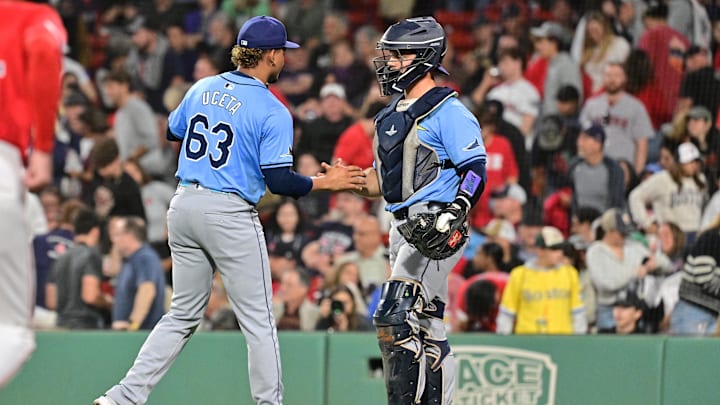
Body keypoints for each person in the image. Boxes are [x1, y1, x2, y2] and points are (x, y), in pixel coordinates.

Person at [93, 16, 365, 405]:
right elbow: (280, 181)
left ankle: (122, 397)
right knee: (258, 322)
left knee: (182, 315)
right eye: (281, 53)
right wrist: (326, 182)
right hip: (228, 211)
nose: (284, 60)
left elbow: (173, 130)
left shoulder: (203, 86)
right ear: (270, 55)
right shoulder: (274, 110)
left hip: (184, 204)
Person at [356, 17, 487, 404]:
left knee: (395, 315)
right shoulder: (390, 115)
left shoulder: (448, 109)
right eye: (390, 54)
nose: (391, 62)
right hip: (399, 226)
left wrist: (457, 208)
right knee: (429, 325)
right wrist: (343, 180)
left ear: (424, 56)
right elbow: (384, 183)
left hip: (434, 223)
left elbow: (475, 168)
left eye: (399, 54)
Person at [0, 0, 66, 389]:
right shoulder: (32, 15)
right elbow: (43, 51)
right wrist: (43, 146)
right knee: (13, 332)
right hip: (3, 159)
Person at [496, 226, 587, 335]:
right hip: (527, 340)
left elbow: (578, 312)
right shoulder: (519, 275)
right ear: (540, 250)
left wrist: (579, 340)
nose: (560, 253)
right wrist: (504, 338)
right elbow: (507, 313)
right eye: (554, 249)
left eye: (560, 248)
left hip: (562, 339)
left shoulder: (570, 274)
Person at [46, 209, 109, 329]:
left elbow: (51, 302)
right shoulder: (91, 254)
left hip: (62, 326)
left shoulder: (60, 259)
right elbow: (90, 296)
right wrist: (107, 302)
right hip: (86, 326)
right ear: (96, 231)